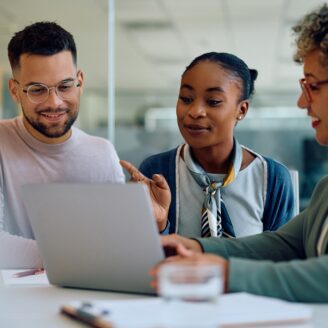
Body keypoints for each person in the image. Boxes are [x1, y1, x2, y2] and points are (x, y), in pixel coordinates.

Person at [151, 4, 328, 303]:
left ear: (241, 110)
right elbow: (283, 245)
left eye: (313, 86)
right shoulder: (325, 190)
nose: (301, 101)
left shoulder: (272, 176)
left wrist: (224, 273)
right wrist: (194, 247)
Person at [122, 52, 295, 238]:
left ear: (241, 110)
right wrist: (159, 224)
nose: (195, 112)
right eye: (186, 99)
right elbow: (144, 260)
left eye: (213, 102)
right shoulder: (157, 170)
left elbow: (280, 257)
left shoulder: (272, 178)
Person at [0, 22, 125, 269]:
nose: (54, 102)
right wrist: (78, 255)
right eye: (37, 90)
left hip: (84, 297)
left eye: (65, 86)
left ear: (80, 82)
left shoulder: (102, 154)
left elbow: (118, 242)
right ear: (15, 91)